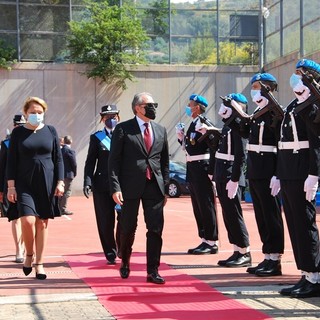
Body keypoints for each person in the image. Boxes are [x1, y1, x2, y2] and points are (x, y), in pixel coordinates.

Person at [219, 73, 284, 277]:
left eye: (257, 86)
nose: (254, 89)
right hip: (255, 170)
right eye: (253, 86)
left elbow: (281, 145)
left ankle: (275, 259)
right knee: (261, 216)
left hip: (268, 169)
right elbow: (246, 134)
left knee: (271, 215)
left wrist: (278, 173)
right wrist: (232, 116)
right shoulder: (257, 113)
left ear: (268, 88)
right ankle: (267, 256)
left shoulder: (274, 112)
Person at [108, 92, 169, 284]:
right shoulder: (123, 129)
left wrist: (165, 188)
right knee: (127, 228)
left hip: (154, 187)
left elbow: (164, 162)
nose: (153, 108)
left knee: (155, 229)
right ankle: (125, 261)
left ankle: (153, 270)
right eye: (149, 105)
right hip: (129, 187)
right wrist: (115, 187)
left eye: (154, 105)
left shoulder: (160, 130)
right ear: (137, 108)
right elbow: (114, 161)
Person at [6, 96, 64, 280]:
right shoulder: (17, 134)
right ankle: (28, 254)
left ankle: (39, 263)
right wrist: (11, 187)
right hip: (24, 183)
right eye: (33, 112)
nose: (36, 115)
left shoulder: (51, 131)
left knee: (42, 222)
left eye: (40, 113)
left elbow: (58, 158)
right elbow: (11, 161)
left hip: (46, 182)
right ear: (25, 113)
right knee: (28, 221)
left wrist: (60, 181)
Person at [277, 59, 320, 298]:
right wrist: (278, 173)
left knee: (305, 223)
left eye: (299, 74)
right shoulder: (296, 103)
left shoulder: (313, 105)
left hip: (302, 170)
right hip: (288, 170)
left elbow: (316, 143)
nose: (295, 77)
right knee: (294, 223)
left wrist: (314, 175)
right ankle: (305, 273)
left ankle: (314, 276)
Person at [197, 93, 251, 267]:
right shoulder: (228, 126)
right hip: (222, 173)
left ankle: (244, 251)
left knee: (234, 214)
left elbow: (241, 155)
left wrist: (234, 179)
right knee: (228, 215)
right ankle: (236, 249)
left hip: (230, 175)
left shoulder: (239, 127)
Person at [175, 94, 218, 255]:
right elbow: (191, 147)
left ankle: (212, 241)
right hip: (192, 167)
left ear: (197, 107)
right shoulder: (193, 124)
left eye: (190, 104)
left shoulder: (204, 123)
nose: (188, 107)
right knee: (198, 206)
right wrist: (181, 138)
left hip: (202, 167)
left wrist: (211, 171)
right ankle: (204, 239)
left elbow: (214, 146)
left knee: (206, 205)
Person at [83, 105, 121, 265]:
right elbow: (91, 161)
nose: (110, 119)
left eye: (113, 116)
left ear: (118, 117)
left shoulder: (125, 135)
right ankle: (110, 252)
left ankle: (122, 246)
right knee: (105, 221)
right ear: (102, 119)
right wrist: (87, 181)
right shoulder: (97, 137)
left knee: (125, 219)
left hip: (122, 185)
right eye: (107, 117)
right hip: (102, 185)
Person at [0, 114, 26, 263]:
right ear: (14, 125)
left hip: (28, 185)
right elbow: (1, 167)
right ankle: (19, 249)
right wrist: (1, 190)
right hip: (11, 186)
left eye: (22, 124)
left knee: (28, 219)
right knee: (16, 218)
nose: (19, 127)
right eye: (17, 125)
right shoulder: (6, 144)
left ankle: (27, 246)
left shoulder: (31, 142)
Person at [59, 135, 77, 215]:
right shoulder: (70, 151)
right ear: (71, 141)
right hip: (68, 174)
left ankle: (58, 208)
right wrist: (74, 172)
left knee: (60, 192)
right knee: (66, 192)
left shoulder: (60, 150)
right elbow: (74, 164)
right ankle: (62, 209)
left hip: (61, 174)